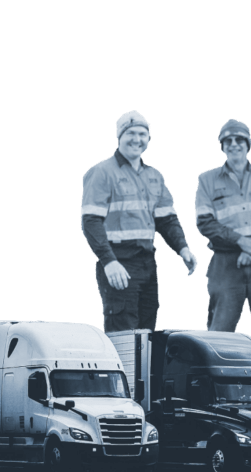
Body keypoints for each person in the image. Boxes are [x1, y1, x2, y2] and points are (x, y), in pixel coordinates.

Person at [80, 110, 198, 332]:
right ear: (119, 137)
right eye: (131, 133)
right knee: (123, 328)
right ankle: (122, 369)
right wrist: (109, 262)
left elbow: (167, 220)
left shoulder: (154, 175)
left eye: (143, 134)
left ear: (149, 139)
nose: (137, 139)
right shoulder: (102, 172)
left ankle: (143, 369)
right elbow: (90, 221)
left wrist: (183, 248)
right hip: (119, 260)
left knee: (147, 331)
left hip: (147, 262)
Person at [194, 119, 251, 336]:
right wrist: (242, 242)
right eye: (228, 140)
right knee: (220, 330)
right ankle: (216, 370)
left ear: (248, 144)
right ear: (222, 146)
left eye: (239, 140)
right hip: (226, 263)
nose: (234, 144)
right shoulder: (206, 179)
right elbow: (205, 223)